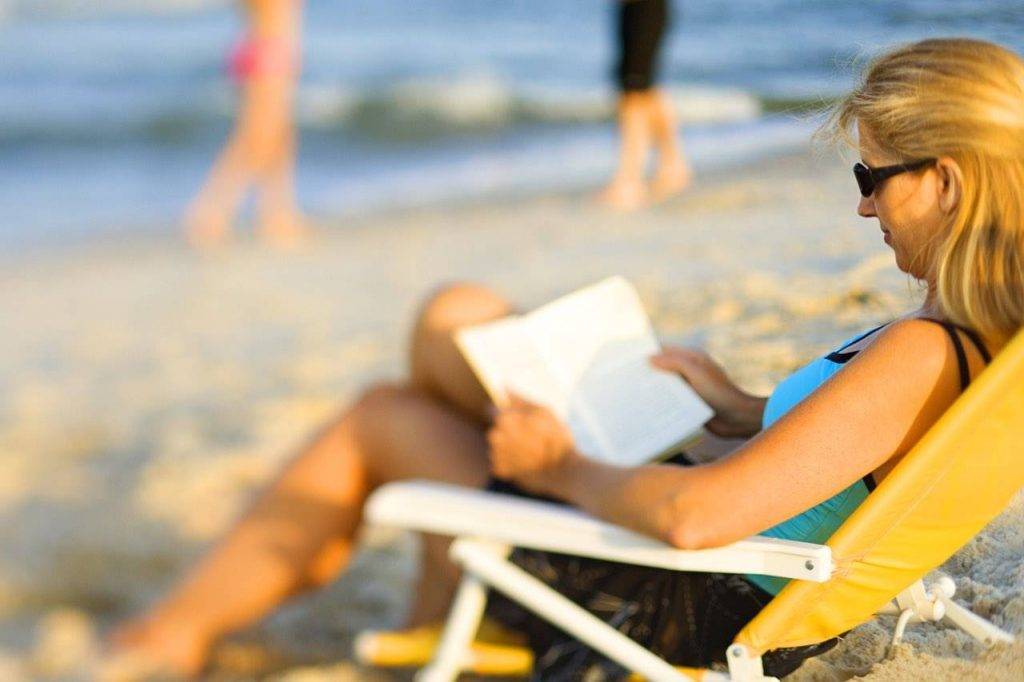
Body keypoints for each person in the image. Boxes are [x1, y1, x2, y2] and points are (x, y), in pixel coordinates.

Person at [110, 38, 1023, 678]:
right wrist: (737, 405)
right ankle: (428, 595)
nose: (864, 209)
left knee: (384, 420)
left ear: (943, 180)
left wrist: (557, 464)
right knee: (456, 317)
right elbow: (852, 455)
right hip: (722, 543)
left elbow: (696, 520)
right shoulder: (961, 341)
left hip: (679, 595)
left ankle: (166, 639)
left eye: (873, 180)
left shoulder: (920, 352)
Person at [184, 0, 306, 249]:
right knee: (257, 139)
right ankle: (210, 212)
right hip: (268, 55)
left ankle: (277, 213)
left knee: (280, 136)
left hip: (268, 52)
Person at [599, 0, 691, 210]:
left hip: (646, 8)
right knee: (642, 89)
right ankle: (673, 165)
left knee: (634, 91)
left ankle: (630, 179)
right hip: (631, 8)